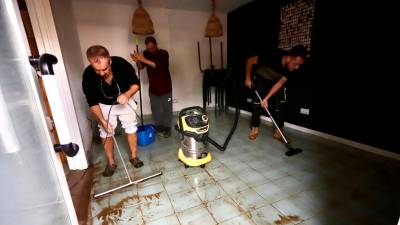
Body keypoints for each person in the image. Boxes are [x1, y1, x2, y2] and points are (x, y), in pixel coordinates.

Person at [82, 45, 144, 177]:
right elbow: (92, 102)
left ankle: (133, 157)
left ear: (110, 60)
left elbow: (136, 84)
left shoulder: (121, 64)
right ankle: (111, 163)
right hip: (104, 105)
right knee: (105, 132)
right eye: (97, 70)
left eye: (104, 69)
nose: (101, 73)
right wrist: (102, 120)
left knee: (131, 127)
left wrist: (127, 94)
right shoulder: (88, 75)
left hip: (124, 101)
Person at [245, 45, 308, 141]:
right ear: (289, 58)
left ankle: (278, 131)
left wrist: (267, 98)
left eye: (299, 65)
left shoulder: (290, 69)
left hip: (275, 80)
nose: (297, 67)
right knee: (257, 103)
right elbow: (250, 60)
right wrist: (248, 78)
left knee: (282, 102)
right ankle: (255, 128)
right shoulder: (272, 55)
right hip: (261, 76)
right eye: (296, 64)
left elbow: (280, 83)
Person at [130, 36, 173, 138]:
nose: (150, 50)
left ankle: (167, 129)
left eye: (152, 48)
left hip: (166, 87)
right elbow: (141, 67)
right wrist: (137, 61)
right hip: (153, 89)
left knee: (167, 109)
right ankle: (158, 128)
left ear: (156, 45)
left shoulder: (164, 53)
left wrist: (143, 59)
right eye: (148, 48)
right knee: (156, 110)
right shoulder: (145, 54)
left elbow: (157, 65)